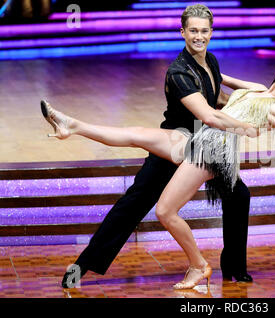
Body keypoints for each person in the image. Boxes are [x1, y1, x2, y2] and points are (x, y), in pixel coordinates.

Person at [41, 56, 275, 289]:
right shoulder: (257, 87)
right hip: (198, 135)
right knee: (136, 134)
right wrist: (183, 69)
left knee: (166, 211)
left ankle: (199, 266)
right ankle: (72, 126)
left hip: (214, 151)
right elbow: (218, 79)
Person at [57, 4, 257, 289]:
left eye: (204, 31)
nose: (198, 36)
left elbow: (218, 100)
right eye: (193, 31)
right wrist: (247, 128)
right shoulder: (177, 72)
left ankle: (234, 265)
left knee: (239, 195)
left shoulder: (210, 61)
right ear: (183, 32)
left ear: (211, 32)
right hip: (173, 146)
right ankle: (81, 267)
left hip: (205, 146)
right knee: (133, 204)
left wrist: (258, 103)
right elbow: (208, 115)